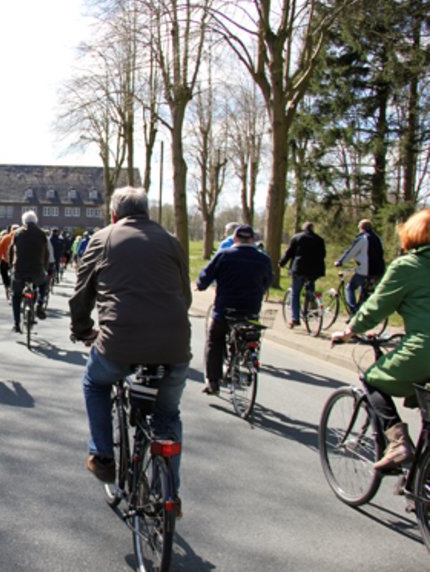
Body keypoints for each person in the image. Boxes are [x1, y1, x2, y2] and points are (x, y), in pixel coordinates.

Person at [70, 186, 191, 504]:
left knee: (94, 383)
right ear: (147, 212)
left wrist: (83, 331)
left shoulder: (103, 238)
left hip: (119, 344)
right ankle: (170, 497)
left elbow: (82, 294)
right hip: (174, 347)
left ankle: (103, 458)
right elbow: (185, 296)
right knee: (166, 415)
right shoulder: (171, 241)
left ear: (113, 214)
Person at [332, 209, 430, 470]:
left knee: (372, 379)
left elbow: (377, 306)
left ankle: (397, 442)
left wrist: (349, 331)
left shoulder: (409, 265)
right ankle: (419, 483)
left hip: (424, 348)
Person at [196, 225, 272, 395]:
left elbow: (204, 277)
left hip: (225, 310)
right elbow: (268, 282)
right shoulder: (263, 259)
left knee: (214, 339)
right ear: (252, 240)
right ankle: (247, 357)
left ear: (235, 239)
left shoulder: (224, 255)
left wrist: (201, 285)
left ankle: (213, 382)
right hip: (251, 310)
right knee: (249, 334)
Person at [279, 222, 326, 328]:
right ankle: (312, 307)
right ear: (313, 229)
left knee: (295, 293)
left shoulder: (297, 237)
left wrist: (282, 263)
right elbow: (323, 254)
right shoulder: (319, 239)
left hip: (299, 268)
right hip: (315, 270)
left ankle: (295, 318)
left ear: (303, 228)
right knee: (310, 288)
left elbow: (289, 253)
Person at [335, 219, 386, 314]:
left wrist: (340, 262)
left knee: (350, 288)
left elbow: (351, 251)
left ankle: (354, 312)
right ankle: (361, 312)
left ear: (361, 228)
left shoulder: (363, 238)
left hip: (366, 270)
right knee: (365, 292)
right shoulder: (378, 238)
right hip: (379, 270)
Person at [9, 210, 49, 331]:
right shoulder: (42, 234)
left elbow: (11, 250)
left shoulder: (17, 233)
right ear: (35, 221)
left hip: (20, 270)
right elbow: (46, 253)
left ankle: (16, 324)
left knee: (16, 296)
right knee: (43, 283)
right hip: (37, 269)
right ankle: (40, 303)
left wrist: (11, 265)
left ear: (23, 222)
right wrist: (45, 267)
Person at [0, 225, 19, 300]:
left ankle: (6, 285)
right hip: (17, 263)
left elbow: (0, 249)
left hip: (6, 261)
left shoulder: (6, 237)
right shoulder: (23, 238)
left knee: (3, 270)